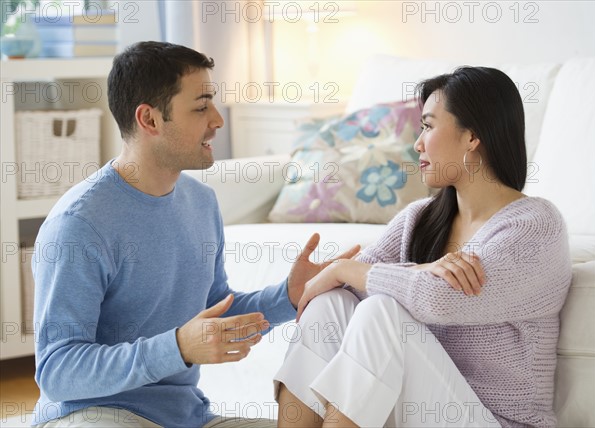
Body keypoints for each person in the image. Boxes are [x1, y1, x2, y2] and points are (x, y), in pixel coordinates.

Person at [31, 41, 358, 428]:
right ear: (150, 120)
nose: (218, 120)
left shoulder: (201, 202)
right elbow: (58, 370)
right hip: (94, 415)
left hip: (186, 418)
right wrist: (178, 347)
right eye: (201, 107)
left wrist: (288, 295)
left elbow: (215, 310)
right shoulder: (79, 225)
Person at [274, 66, 572, 427]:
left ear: (472, 136)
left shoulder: (534, 228)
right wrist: (412, 272)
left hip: (496, 421)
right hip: (421, 413)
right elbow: (347, 288)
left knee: (379, 312)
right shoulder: (419, 218)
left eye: (429, 126)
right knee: (330, 305)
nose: (418, 143)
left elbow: (441, 298)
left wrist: (341, 267)